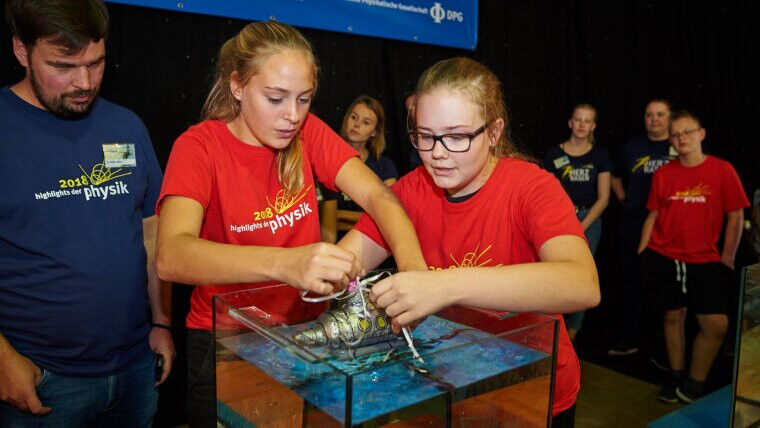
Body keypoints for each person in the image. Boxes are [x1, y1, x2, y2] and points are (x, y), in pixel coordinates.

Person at [154, 21, 426, 427]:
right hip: (225, 341)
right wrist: (286, 263)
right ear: (237, 85)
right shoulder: (199, 147)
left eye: (304, 99)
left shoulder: (307, 132)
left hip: (303, 332)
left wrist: (416, 271)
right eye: (275, 98)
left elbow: (379, 196)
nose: (293, 116)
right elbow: (172, 255)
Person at [340, 57, 600, 426]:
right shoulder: (412, 189)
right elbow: (347, 259)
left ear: (494, 132)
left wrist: (446, 285)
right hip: (452, 386)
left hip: (533, 392)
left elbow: (583, 284)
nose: (438, 152)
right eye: (425, 135)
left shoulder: (532, 187)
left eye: (457, 136)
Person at [0, 0, 174, 426]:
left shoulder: (126, 126)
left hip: (136, 366)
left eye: (95, 63)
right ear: (22, 51)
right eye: (63, 66)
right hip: (39, 375)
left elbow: (152, 233)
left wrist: (162, 323)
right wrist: (2, 359)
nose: (84, 83)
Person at [638, 110, 748, 404]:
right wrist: (643, 251)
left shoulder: (722, 170)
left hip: (705, 261)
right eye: (675, 134)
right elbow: (654, 214)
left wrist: (727, 258)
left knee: (715, 325)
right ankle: (675, 374)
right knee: (672, 316)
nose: (681, 138)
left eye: (687, 132)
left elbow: (736, 216)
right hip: (663, 256)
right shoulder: (664, 173)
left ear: (701, 134)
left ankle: (694, 382)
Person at [608, 99, 676, 357]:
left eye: (660, 114)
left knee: (664, 289)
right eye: (649, 115)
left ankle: (664, 345)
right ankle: (630, 339)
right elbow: (614, 175)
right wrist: (624, 198)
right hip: (633, 225)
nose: (654, 119)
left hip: (669, 229)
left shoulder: (678, 145)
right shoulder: (632, 147)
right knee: (631, 284)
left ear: (669, 118)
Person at [543, 103, 611, 342]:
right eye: (578, 119)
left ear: (593, 126)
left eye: (587, 121)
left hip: (588, 220)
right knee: (554, 272)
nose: (582, 124)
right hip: (559, 218)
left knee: (582, 276)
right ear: (570, 123)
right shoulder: (554, 154)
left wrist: (581, 226)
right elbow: (547, 191)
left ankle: (572, 333)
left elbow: (604, 198)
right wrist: (566, 220)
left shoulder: (600, 156)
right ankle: (554, 328)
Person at [321, 95, 399, 243]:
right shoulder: (328, 160)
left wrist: (340, 215)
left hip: (373, 243)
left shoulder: (384, 166)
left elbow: (388, 216)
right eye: (354, 117)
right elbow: (326, 223)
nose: (356, 124)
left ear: (374, 132)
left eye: (366, 122)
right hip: (337, 242)